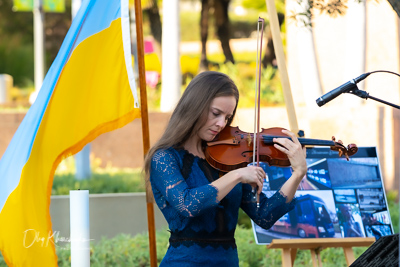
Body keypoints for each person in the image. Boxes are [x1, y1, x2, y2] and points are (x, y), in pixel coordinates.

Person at [144, 71, 307, 266]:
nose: (221, 124)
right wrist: (237, 175)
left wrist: (297, 174)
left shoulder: (228, 158)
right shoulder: (165, 157)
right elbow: (187, 204)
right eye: (215, 113)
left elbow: (265, 215)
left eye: (227, 117)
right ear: (195, 105)